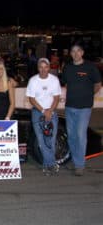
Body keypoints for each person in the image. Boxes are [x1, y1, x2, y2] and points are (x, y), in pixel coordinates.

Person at [62, 44, 101, 176]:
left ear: (82, 52)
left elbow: (98, 84)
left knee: (80, 135)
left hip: (84, 108)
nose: (76, 53)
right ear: (71, 54)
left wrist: (89, 95)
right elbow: (66, 83)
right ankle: (75, 160)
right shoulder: (67, 68)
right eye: (73, 51)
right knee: (71, 136)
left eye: (78, 51)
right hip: (69, 107)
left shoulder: (90, 67)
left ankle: (80, 165)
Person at [26, 58, 61, 176]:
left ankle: (48, 165)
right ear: (38, 68)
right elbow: (31, 99)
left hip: (52, 112)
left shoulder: (54, 80)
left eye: (45, 67)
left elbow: (56, 98)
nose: (43, 69)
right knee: (41, 141)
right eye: (41, 67)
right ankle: (50, 165)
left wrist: (49, 111)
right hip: (37, 113)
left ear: (49, 68)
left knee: (51, 140)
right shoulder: (33, 80)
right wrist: (43, 110)